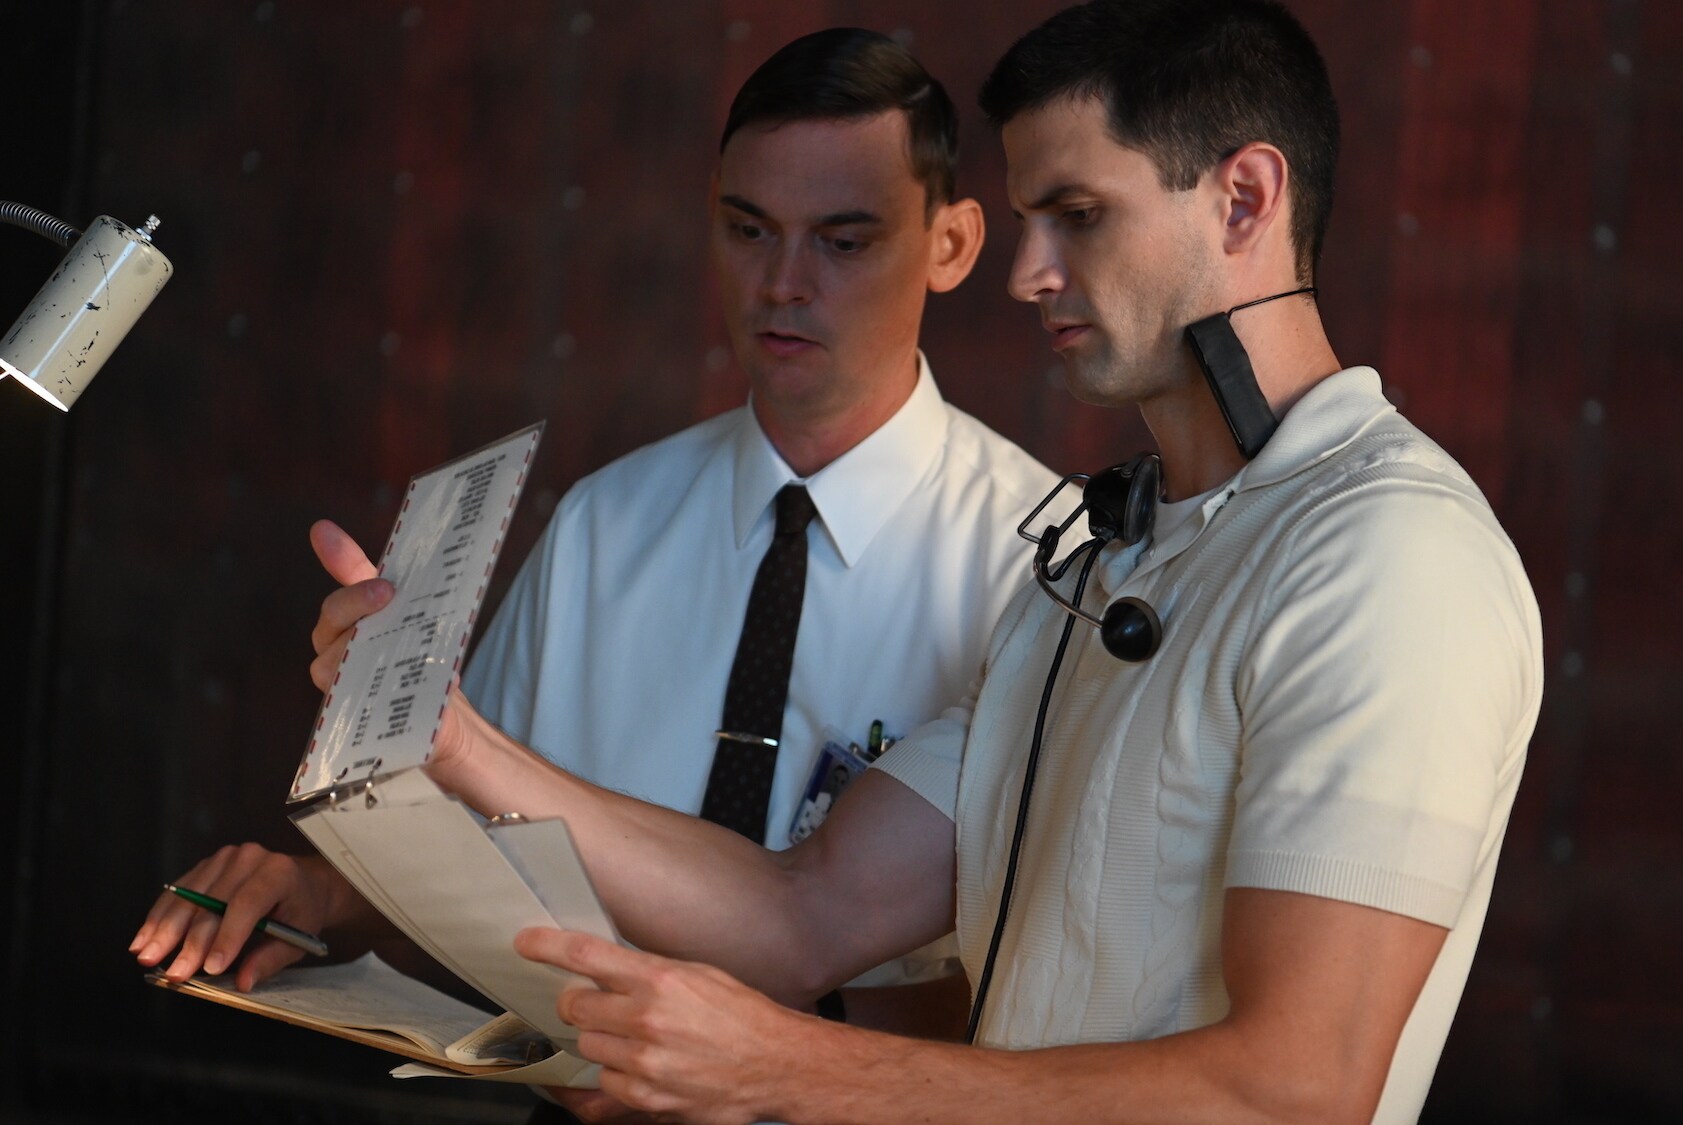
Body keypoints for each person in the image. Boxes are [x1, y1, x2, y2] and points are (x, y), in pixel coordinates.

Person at [137, 2, 1543, 1122]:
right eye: (1028, 218)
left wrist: (785, 1073)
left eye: (1080, 216)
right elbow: (810, 909)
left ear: (1244, 199)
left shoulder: (1386, 556)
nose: (1027, 273)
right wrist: (450, 739)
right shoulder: (1094, 571)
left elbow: (1297, 1092)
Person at [131, 28, 1062, 1039]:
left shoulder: (1041, 565)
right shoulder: (604, 524)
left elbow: (1039, 965)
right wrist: (319, 893)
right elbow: (473, 842)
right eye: (748, 229)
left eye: (842, 241)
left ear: (953, 244)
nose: (783, 284)